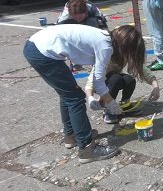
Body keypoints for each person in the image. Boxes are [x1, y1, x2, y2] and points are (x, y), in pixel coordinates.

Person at [22, 24, 146, 163]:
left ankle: (71, 135)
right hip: (42, 52)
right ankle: (87, 148)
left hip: (36, 46)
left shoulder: (104, 38)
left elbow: (96, 77)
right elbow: (98, 81)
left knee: (67, 95)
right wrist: (111, 102)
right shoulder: (105, 47)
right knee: (75, 98)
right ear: (126, 46)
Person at [85, 27, 160, 124]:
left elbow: (143, 71)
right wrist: (90, 98)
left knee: (129, 79)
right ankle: (108, 110)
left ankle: (125, 105)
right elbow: (91, 81)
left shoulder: (125, 53)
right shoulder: (105, 54)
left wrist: (156, 87)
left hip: (113, 80)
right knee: (116, 78)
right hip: (100, 85)